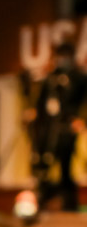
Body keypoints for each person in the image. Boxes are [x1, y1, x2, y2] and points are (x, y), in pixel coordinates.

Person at [24, 41, 87, 211]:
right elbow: (40, 102)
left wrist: (80, 119)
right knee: (44, 165)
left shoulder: (79, 77)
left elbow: (83, 102)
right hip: (49, 129)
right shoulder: (51, 78)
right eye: (61, 56)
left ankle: (69, 205)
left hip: (68, 128)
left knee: (66, 167)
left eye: (66, 56)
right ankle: (43, 205)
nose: (63, 60)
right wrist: (33, 112)